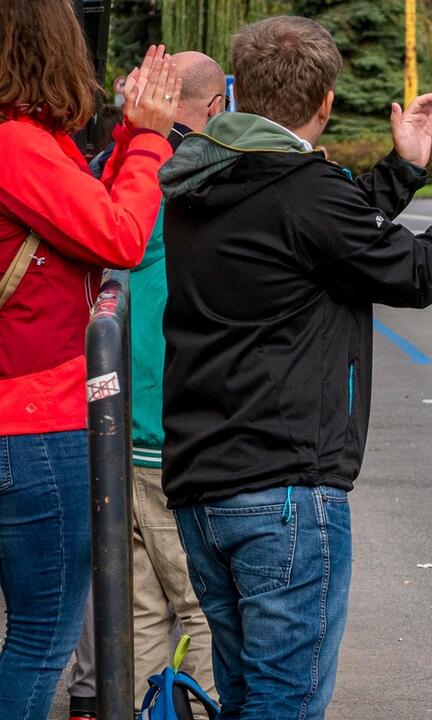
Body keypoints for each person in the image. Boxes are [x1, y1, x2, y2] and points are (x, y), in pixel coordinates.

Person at [157, 15, 432, 718]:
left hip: (203, 487)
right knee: (285, 704)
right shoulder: (301, 188)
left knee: (248, 695)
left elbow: (307, 242)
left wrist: (401, 171)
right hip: (283, 489)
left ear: (237, 90)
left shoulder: (199, 176)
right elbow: (417, 271)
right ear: (327, 103)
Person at [0, 1, 179, 716]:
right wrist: (148, 141)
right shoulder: (15, 142)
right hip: (33, 424)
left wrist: (133, 136)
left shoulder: (29, 141)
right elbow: (120, 236)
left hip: (23, 417)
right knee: (44, 636)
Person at [67, 51, 226, 720]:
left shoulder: (109, 169)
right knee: (205, 607)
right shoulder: (190, 176)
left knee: (134, 613)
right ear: (216, 107)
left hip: (109, 427)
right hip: (173, 432)